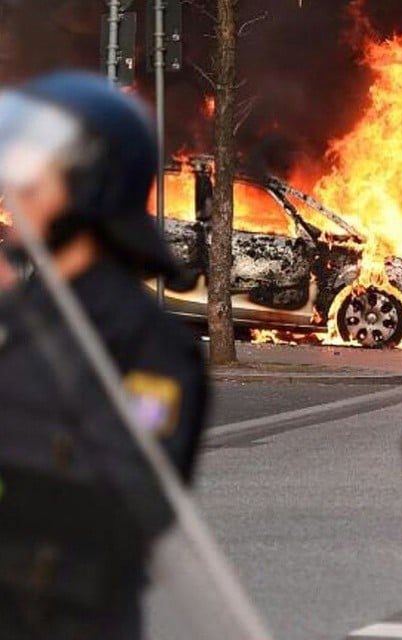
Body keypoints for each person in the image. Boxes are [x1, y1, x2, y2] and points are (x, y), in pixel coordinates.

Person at [0, 71, 208, 639]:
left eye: (33, 176)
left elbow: (129, 497)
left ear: (88, 184)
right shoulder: (22, 318)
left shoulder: (148, 345)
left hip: (69, 620)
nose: (15, 192)